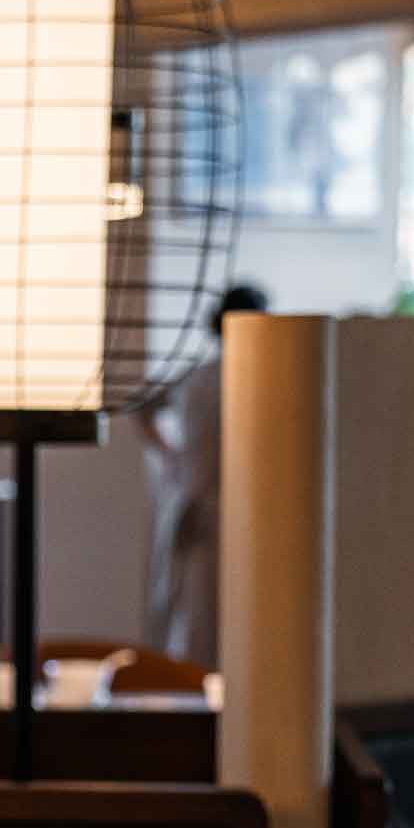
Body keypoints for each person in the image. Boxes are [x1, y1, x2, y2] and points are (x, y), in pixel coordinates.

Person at [138, 283, 270, 669]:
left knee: (197, 611)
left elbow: (144, 409)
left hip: (199, 500)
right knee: (212, 610)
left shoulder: (199, 376)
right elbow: (145, 408)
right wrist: (174, 456)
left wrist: (172, 456)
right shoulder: (240, 377)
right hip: (215, 507)